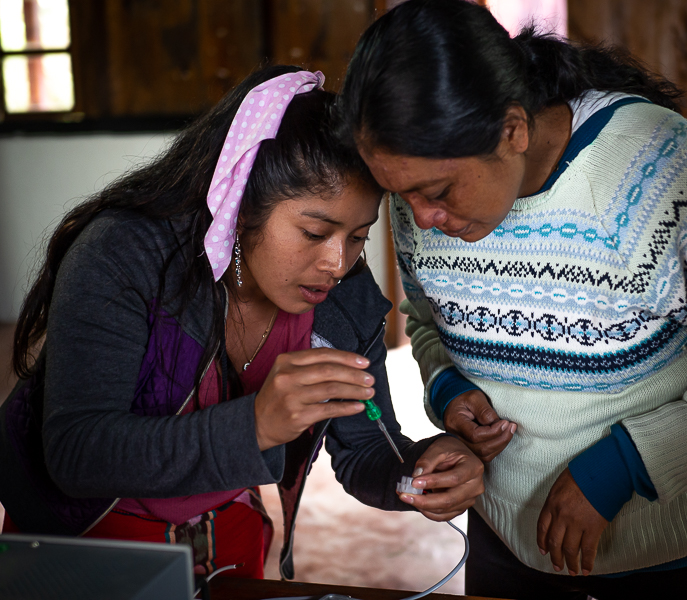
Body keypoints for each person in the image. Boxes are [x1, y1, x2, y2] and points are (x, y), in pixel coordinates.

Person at [335, 1, 687, 598]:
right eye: (403, 196)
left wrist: (621, 469)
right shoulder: (417, 198)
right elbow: (425, 323)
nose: (424, 219)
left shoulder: (654, 166)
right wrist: (449, 389)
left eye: (439, 192)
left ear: (513, 129)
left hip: (673, 564)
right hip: (504, 548)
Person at [0, 63, 484, 581]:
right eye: (314, 232)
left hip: (227, 543)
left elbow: (366, 446)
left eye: (359, 236)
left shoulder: (346, 297)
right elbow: (77, 453)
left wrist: (421, 470)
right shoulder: (125, 254)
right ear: (243, 205)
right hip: (86, 548)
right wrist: (255, 425)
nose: (337, 264)